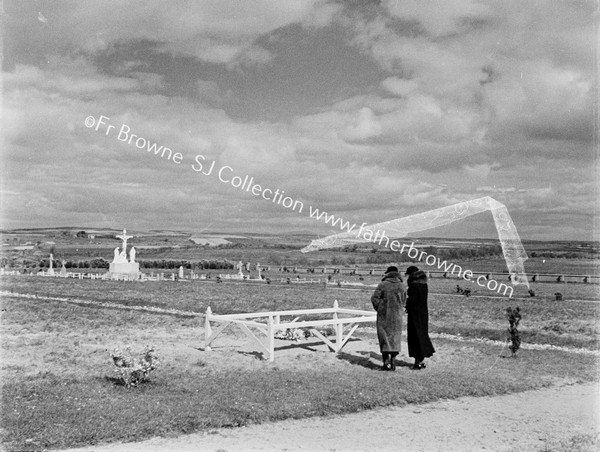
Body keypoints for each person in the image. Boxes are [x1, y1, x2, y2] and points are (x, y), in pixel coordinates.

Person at [371, 266, 406, 371]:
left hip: (384, 315)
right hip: (397, 316)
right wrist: (399, 309)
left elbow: (374, 298)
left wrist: (380, 308)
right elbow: (404, 301)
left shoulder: (382, 285)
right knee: (395, 339)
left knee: (384, 338)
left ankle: (385, 364)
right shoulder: (402, 286)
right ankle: (393, 363)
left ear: (388, 274)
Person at [405, 266, 435, 369]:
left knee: (415, 337)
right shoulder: (424, 285)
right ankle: (421, 359)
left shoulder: (413, 286)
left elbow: (412, 301)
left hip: (414, 314)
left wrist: (407, 303)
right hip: (423, 314)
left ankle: (417, 362)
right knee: (422, 334)